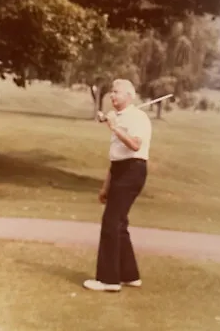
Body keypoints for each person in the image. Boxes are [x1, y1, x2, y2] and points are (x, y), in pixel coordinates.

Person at [83, 78, 152, 292]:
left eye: (117, 92)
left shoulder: (138, 117)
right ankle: (129, 275)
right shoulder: (120, 118)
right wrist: (106, 186)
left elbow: (134, 145)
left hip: (133, 170)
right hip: (120, 171)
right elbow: (116, 159)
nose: (112, 96)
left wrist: (114, 127)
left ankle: (109, 280)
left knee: (111, 222)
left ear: (129, 96)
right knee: (119, 224)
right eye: (112, 92)